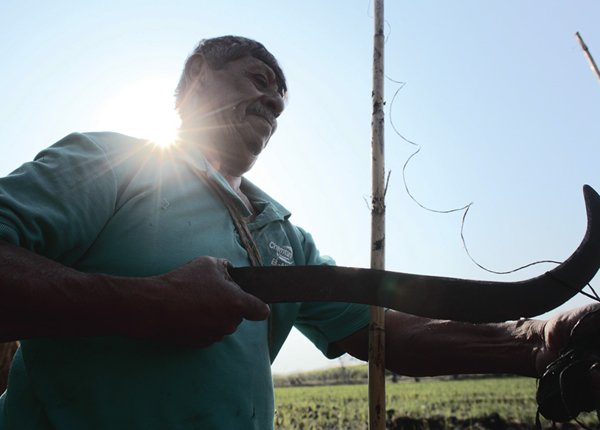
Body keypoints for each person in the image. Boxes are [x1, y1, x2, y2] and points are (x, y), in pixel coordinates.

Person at [0, 35, 597, 429]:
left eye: (281, 98)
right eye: (258, 79)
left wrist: (537, 339)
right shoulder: (112, 163)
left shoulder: (285, 236)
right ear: (197, 77)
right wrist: (143, 305)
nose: (275, 103)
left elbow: (391, 333)